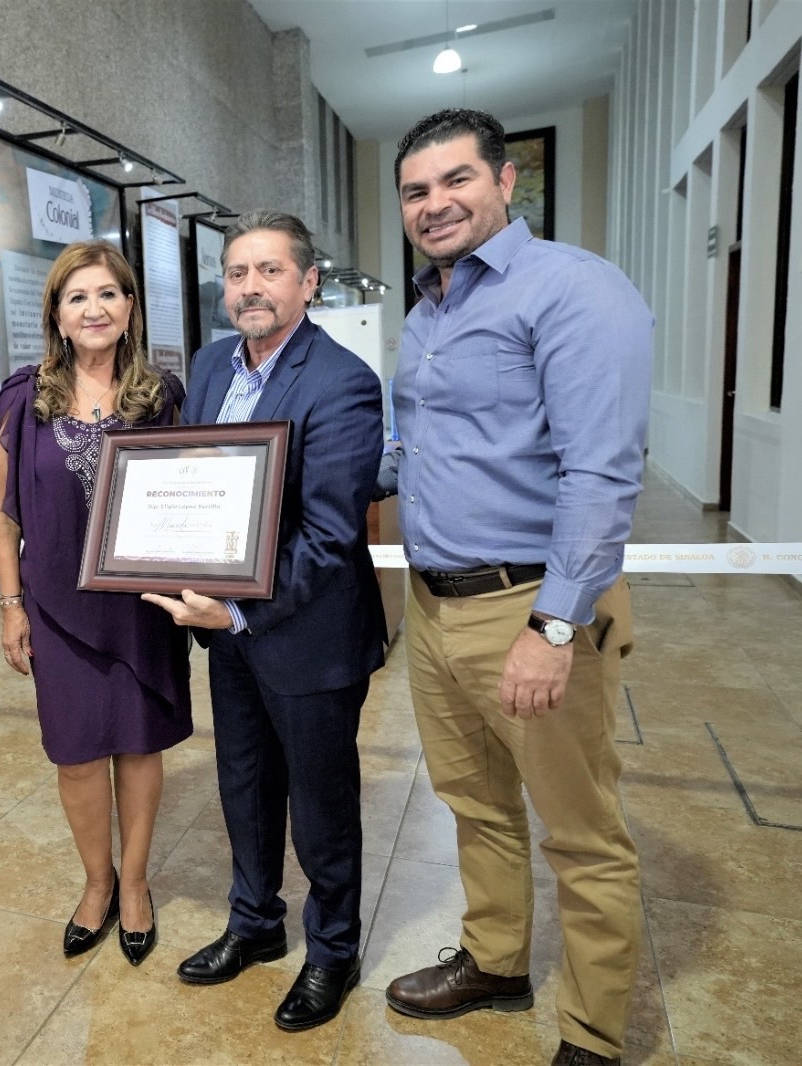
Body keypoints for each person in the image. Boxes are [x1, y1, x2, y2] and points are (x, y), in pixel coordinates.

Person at [381, 108, 652, 1066]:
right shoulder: (427, 313)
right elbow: (418, 449)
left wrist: (552, 627)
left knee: (580, 832)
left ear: (504, 182)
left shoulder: (574, 289)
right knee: (474, 800)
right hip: (433, 603)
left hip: (527, 603)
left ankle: (592, 1033)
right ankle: (496, 963)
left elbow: (600, 474)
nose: (434, 203)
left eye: (455, 179)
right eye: (415, 190)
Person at [144, 210, 387, 1032]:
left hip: (307, 634)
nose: (250, 287)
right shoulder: (210, 366)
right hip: (226, 631)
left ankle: (332, 951)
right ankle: (253, 924)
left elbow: (328, 534)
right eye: (237, 272)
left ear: (307, 283)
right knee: (244, 785)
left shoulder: (342, 381)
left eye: (269, 271)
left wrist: (238, 607)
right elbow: (192, 484)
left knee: (320, 806)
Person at [0, 240, 191, 966]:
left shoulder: (162, 395)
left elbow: (191, 492)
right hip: (56, 608)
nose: (93, 308)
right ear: (57, 314)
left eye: (108, 293)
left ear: (130, 307)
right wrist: (11, 603)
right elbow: (3, 511)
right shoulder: (24, 397)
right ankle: (96, 882)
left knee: (138, 746)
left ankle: (133, 885)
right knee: (75, 755)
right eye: (77, 297)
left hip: (141, 606)